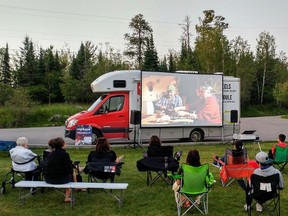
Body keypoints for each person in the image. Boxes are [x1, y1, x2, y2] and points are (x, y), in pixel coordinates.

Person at [43, 137, 74, 203]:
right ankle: (67, 197)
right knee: (71, 175)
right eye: (65, 143)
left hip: (49, 179)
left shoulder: (50, 154)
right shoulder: (65, 154)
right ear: (62, 144)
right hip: (61, 180)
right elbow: (69, 169)